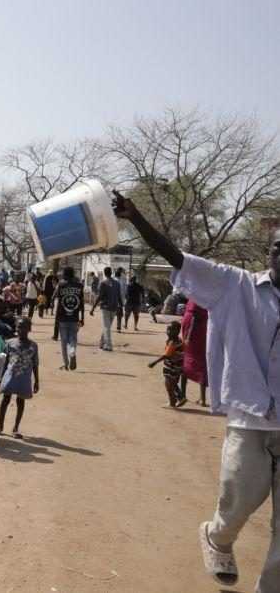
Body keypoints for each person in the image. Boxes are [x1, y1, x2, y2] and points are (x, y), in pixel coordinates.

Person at [113, 189, 280, 589]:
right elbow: (180, 259)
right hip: (251, 419)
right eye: (279, 248)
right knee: (237, 504)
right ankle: (218, 537)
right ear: (269, 252)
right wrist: (136, 218)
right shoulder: (236, 286)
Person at [0, 317, 40, 439]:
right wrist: (1, 377)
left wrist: (36, 381)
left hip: (24, 377)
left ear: (29, 329)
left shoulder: (33, 346)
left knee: (20, 401)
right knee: (5, 399)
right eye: (18, 327)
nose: (20, 330)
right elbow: (5, 362)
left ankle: (15, 428)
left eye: (23, 327)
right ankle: (0, 426)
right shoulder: (10, 343)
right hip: (9, 376)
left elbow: (35, 364)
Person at [147, 320, 187, 409]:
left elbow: (165, 355)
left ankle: (173, 403)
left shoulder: (172, 343)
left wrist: (154, 363)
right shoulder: (179, 340)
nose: (168, 332)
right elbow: (185, 349)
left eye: (171, 330)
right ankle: (179, 398)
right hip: (178, 366)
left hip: (171, 366)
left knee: (169, 385)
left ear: (177, 331)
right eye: (168, 329)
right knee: (172, 384)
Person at [52, 267, 85, 370]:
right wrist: (82, 317)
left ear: (65, 275)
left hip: (62, 318)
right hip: (74, 317)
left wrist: (56, 319)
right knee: (73, 338)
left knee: (63, 341)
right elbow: (82, 303)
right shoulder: (80, 286)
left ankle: (65, 364)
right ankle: (72, 352)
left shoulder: (61, 285)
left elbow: (59, 305)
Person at [180, 300, 209, 407]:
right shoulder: (199, 295)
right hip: (196, 332)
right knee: (199, 362)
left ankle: (182, 394)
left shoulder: (197, 297)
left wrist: (189, 337)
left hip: (193, 334)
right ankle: (202, 398)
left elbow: (195, 318)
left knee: (188, 362)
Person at [89, 267, 122, 352]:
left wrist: (93, 308)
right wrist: (121, 307)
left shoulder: (103, 283)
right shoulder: (117, 283)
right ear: (111, 273)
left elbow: (99, 296)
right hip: (114, 307)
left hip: (106, 307)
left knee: (106, 326)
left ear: (104, 273)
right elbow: (119, 296)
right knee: (107, 326)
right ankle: (102, 342)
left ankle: (108, 345)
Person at [114, 268, 129, 332]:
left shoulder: (112, 281)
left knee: (109, 315)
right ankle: (118, 328)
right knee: (119, 315)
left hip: (112, 301)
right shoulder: (124, 281)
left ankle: (107, 327)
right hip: (120, 301)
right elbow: (126, 292)